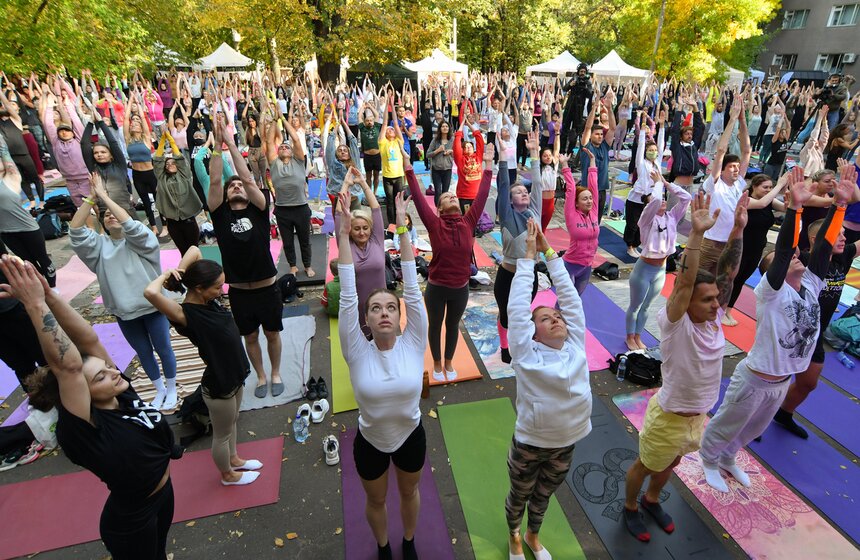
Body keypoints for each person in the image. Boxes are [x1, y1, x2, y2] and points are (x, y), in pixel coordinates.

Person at [0, 254, 179, 559]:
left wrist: (50, 296)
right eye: (101, 376)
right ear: (83, 393)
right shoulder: (84, 430)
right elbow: (67, 366)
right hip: (132, 522)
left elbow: (89, 340)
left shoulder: (120, 394)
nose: (113, 371)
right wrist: (34, 305)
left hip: (163, 495)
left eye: (107, 368)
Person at [699, 165, 851, 493]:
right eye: (784, 260)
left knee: (753, 429)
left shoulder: (811, 284)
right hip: (755, 378)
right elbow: (782, 252)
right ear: (771, 273)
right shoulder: (771, 291)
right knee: (727, 423)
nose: (795, 256)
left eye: (797, 255)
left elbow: (823, 248)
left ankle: (728, 457)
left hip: (781, 381)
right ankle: (709, 459)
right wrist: (795, 209)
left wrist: (840, 205)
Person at [623, 190, 746, 541]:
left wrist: (738, 230)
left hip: (697, 418)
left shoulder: (713, 318)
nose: (715, 305)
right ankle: (630, 507)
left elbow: (728, 275)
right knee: (646, 465)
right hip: (670, 417)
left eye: (715, 299)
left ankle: (651, 499)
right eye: (706, 300)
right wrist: (696, 235)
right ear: (686, 301)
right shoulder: (677, 322)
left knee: (673, 462)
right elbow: (686, 283)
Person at [337, 190, 426, 560]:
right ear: (367, 318)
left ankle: (409, 540)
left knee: (409, 493)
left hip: (410, 437)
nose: (385, 312)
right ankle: (384, 546)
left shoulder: (413, 342)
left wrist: (402, 227)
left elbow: (412, 289)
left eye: (391, 306)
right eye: (376, 308)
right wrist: (342, 234)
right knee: (375, 501)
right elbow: (347, 294)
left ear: (400, 314)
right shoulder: (357, 351)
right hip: (371, 442)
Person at [505, 220, 592, 560]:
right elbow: (516, 309)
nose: (555, 318)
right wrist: (529, 256)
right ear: (534, 333)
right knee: (519, 496)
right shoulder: (526, 354)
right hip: (531, 444)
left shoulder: (576, 345)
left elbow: (570, 299)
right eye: (545, 318)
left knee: (543, 497)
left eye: (556, 315)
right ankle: (514, 535)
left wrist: (550, 253)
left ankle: (533, 534)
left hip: (565, 444)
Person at [144, 247, 262, 486]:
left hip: (235, 374)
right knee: (222, 434)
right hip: (219, 384)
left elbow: (195, 250)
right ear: (199, 288)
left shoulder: (209, 301)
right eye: (217, 287)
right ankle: (228, 475)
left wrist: (180, 271)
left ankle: (234, 459)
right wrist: (166, 274)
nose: (222, 291)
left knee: (232, 421)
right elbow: (150, 292)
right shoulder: (184, 314)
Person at [70, 174, 178, 410]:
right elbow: (75, 231)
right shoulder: (99, 247)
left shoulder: (143, 240)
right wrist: (92, 198)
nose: (110, 216)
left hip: (153, 307)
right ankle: (159, 389)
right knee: (143, 352)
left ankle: (172, 388)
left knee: (163, 349)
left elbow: (131, 226)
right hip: (124, 312)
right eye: (106, 215)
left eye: (115, 213)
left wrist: (105, 197)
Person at [207, 114, 284, 399]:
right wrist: (218, 146)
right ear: (226, 196)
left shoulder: (259, 209)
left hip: (267, 289)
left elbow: (249, 179)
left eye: (239, 185)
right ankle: (261, 376)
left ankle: (275, 373)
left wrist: (230, 142)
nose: (237, 186)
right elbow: (216, 180)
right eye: (232, 186)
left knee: (272, 333)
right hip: (239, 292)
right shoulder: (220, 214)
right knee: (250, 336)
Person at [405, 144, 493, 381]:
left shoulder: (468, 221)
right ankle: (436, 362)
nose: (452, 196)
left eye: (453, 195)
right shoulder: (435, 224)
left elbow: (482, 195)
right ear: (440, 209)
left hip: (460, 288)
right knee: (435, 325)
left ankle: (449, 362)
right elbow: (418, 198)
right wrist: (408, 168)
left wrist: (488, 166)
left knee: (453, 326)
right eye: (446, 197)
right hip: (436, 287)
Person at [775, 195, 860, 438]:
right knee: (774, 381)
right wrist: (794, 210)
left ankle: (784, 413)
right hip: (792, 332)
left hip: (816, 333)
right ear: (816, 239)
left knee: (808, 382)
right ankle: (758, 416)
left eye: (844, 234)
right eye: (838, 234)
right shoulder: (804, 261)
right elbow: (785, 248)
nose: (844, 238)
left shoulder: (843, 256)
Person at [624, 176, 693, 350]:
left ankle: (638, 336)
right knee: (635, 306)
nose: (661, 200)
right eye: (657, 198)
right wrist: (658, 183)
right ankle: (629, 337)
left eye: (663, 198)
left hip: (660, 270)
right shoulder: (646, 220)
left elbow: (686, 198)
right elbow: (654, 202)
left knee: (647, 307)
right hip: (643, 270)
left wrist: (668, 184)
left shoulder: (672, 217)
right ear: (648, 206)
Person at [495, 132, 544, 364]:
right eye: (518, 192)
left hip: (529, 275)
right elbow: (504, 184)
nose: (523, 192)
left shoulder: (534, 212)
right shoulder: (506, 215)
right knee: (506, 314)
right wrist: (503, 156)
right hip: (507, 276)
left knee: (523, 313)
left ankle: (521, 343)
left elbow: (538, 184)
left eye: (525, 191)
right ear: (510, 199)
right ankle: (504, 346)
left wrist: (534, 153)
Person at [723, 174, 787, 326]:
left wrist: (786, 191)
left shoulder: (769, 201)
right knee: (730, 279)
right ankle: (720, 309)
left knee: (741, 280)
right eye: (765, 187)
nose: (768, 190)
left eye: (770, 187)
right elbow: (761, 204)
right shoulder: (747, 200)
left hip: (756, 249)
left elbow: (786, 208)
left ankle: (728, 310)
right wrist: (779, 186)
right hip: (740, 247)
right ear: (754, 187)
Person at [261, 103, 314, 278]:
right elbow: (269, 142)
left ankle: (307, 265)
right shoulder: (274, 163)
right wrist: (274, 121)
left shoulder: (298, 161)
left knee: (305, 240)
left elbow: (296, 139)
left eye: (287, 147)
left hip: (301, 207)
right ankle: (293, 266)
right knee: (288, 241)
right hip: (283, 209)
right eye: (282, 147)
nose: (284, 147)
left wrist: (283, 119)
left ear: (292, 152)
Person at [700, 96, 751, 276]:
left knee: (720, 283)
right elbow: (721, 150)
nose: (736, 170)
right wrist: (732, 119)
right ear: (722, 170)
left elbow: (747, 151)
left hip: (729, 243)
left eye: (738, 167)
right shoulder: (714, 184)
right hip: (710, 244)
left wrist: (742, 120)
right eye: (731, 167)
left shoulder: (738, 184)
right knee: (697, 282)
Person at [335, 168, 386, 337]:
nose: (362, 232)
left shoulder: (376, 240)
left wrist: (363, 183)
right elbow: (339, 214)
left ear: (371, 228)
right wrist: (346, 184)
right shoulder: (346, 244)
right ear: (350, 230)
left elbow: (376, 209)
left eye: (365, 228)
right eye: (356, 229)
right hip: (356, 310)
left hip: (382, 307)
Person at [0, 136, 56, 290]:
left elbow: (5, 153)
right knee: (28, 263)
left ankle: (53, 288)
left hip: (28, 228)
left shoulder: (11, 178)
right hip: (6, 232)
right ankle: (41, 288)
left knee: (43, 259)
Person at [624, 111, 667, 258]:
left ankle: (637, 245)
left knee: (644, 223)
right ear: (646, 152)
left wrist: (662, 126)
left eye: (655, 150)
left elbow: (661, 144)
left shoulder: (658, 163)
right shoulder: (641, 163)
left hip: (650, 199)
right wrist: (642, 132)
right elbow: (641, 146)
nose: (653, 152)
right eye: (650, 150)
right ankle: (629, 246)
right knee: (633, 224)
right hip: (636, 199)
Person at [153, 130, 202, 256]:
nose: (169, 165)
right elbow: (157, 161)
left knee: (194, 250)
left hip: (189, 221)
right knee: (183, 252)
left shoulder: (184, 175)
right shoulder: (162, 178)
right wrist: (162, 141)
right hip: (173, 223)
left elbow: (179, 158)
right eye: (167, 164)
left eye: (172, 163)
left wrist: (172, 141)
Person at [562, 148, 598, 295]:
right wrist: (565, 165)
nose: (589, 201)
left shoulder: (593, 212)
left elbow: (594, 186)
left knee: (577, 301)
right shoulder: (572, 214)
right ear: (576, 203)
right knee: (567, 300)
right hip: (571, 264)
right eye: (584, 199)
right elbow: (571, 188)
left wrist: (592, 162)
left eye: (590, 198)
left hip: (587, 266)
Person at [580, 90, 617, 223]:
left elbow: (612, 128)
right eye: (597, 134)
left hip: (601, 190)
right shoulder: (586, 146)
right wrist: (595, 107)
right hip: (587, 190)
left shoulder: (605, 146)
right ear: (591, 136)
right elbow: (587, 127)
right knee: (585, 222)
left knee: (597, 222)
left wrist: (609, 109)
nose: (600, 136)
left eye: (601, 134)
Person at [452, 104, 485, 214]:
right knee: (467, 220)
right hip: (464, 196)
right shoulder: (460, 159)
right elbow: (457, 141)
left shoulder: (478, 156)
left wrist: (469, 124)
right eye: (466, 147)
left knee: (478, 220)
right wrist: (462, 123)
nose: (469, 147)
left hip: (478, 195)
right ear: (463, 150)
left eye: (470, 146)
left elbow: (479, 138)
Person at [379, 97, 407, 226]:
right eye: (388, 130)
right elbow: (385, 123)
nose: (391, 130)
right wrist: (387, 106)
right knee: (390, 202)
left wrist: (393, 106)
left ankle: (400, 221)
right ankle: (391, 224)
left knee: (399, 201)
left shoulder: (398, 141)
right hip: (387, 177)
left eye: (393, 130)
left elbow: (395, 123)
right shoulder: (383, 143)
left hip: (399, 176)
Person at [427, 121, 454, 206]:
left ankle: (444, 209)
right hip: (436, 170)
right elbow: (428, 154)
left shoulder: (452, 140)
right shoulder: (435, 140)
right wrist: (437, 150)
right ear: (440, 128)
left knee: (445, 192)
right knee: (438, 191)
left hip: (447, 169)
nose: (445, 128)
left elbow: (458, 154)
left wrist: (451, 151)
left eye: (446, 126)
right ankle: (438, 209)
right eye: (443, 126)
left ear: (449, 128)